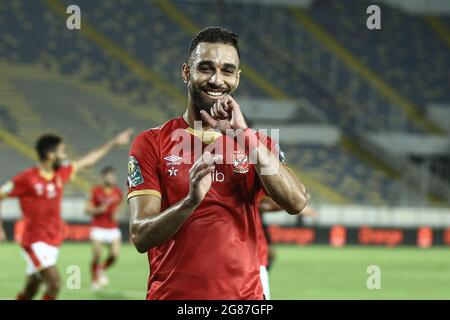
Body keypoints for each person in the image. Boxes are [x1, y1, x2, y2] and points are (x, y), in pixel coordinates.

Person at [127, 27, 308, 300]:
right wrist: (190, 201)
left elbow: (296, 202)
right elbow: (140, 235)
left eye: (226, 70)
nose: (216, 79)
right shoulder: (151, 142)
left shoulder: (257, 142)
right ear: (186, 73)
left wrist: (242, 136)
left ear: (237, 77)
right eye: (206, 68)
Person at [0, 129, 133, 300]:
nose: (65, 155)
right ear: (50, 155)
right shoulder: (27, 178)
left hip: (52, 241)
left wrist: (114, 143)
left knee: (31, 288)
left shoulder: (60, 174)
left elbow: (88, 161)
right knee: (54, 285)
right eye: (62, 152)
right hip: (34, 242)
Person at [256, 195, 319, 299]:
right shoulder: (254, 201)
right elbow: (266, 204)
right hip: (255, 257)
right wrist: (295, 203)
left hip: (257, 251)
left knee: (271, 254)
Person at [85, 166, 123, 290]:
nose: (112, 178)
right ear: (103, 177)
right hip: (98, 227)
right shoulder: (95, 191)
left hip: (112, 227)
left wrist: (116, 213)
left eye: (113, 176)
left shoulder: (118, 192)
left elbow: (119, 205)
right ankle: (94, 279)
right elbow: (87, 210)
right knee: (97, 255)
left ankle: (101, 269)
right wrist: (98, 209)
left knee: (115, 254)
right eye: (110, 176)